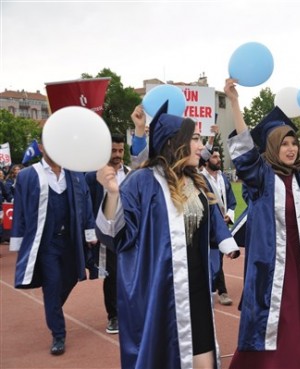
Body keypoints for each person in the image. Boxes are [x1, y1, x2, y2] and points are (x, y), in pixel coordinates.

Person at [95, 102, 240, 369]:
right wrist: (113, 194)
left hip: (196, 285)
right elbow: (115, 236)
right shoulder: (142, 182)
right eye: (194, 138)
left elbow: (210, 222)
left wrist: (225, 240)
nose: (201, 146)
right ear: (174, 143)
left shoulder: (198, 181)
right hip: (159, 289)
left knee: (205, 361)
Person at [224, 78, 300, 369]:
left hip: (298, 260)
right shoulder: (260, 177)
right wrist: (233, 102)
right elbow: (243, 147)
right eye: (285, 144)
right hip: (268, 263)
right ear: (272, 147)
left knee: (295, 316)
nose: (292, 148)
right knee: (267, 317)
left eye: (294, 143)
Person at [10, 139, 97, 356]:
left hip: (71, 240)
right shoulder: (28, 175)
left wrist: (90, 232)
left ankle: (53, 307)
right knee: (52, 283)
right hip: (46, 243)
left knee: (71, 279)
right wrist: (19, 241)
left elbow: (86, 204)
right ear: (41, 147)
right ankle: (58, 334)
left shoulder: (75, 174)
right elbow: (19, 209)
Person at [85, 133, 130, 334]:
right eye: (113, 150)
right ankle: (114, 316)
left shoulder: (130, 173)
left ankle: (130, 311)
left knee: (130, 274)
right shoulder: (93, 176)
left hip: (129, 232)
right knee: (112, 276)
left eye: (121, 150)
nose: (118, 154)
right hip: (106, 234)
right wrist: (90, 233)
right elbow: (86, 206)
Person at [199, 126, 237, 306]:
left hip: (222, 224)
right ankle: (218, 289)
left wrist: (229, 215)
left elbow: (232, 201)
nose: (218, 159)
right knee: (209, 258)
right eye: (214, 157)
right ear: (206, 160)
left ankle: (218, 289)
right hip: (206, 225)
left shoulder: (224, 179)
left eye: (219, 157)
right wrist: (212, 137)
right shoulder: (200, 178)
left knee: (218, 258)